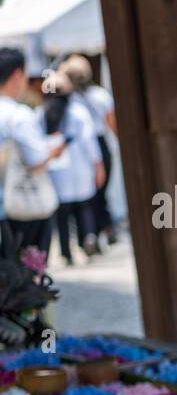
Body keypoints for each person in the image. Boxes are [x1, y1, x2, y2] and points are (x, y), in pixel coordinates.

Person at [0, 48, 64, 252]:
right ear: (18, 75)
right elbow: (36, 160)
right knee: (26, 274)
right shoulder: (19, 116)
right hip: (19, 208)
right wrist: (55, 151)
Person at [41, 71, 103, 264]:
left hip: (57, 172)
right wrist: (98, 165)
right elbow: (89, 142)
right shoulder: (78, 112)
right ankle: (87, 239)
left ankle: (66, 251)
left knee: (62, 214)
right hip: (81, 168)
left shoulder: (40, 114)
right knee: (84, 207)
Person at [59, 55, 117, 247]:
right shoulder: (101, 95)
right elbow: (112, 124)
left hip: (78, 149)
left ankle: (93, 233)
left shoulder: (69, 100)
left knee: (88, 194)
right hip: (99, 143)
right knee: (100, 190)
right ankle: (103, 229)